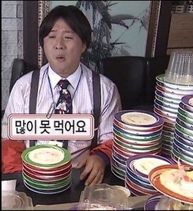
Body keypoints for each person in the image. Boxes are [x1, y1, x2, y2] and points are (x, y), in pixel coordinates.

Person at [1, 5, 121, 186]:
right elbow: (10, 140)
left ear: (84, 45)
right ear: (43, 43)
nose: (58, 45)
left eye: (68, 37)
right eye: (51, 37)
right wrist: (19, 180)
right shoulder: (24, 87)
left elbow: (112, 139)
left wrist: (101, 157)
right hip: (30, 177)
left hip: (80, 179)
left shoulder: (105, 89)